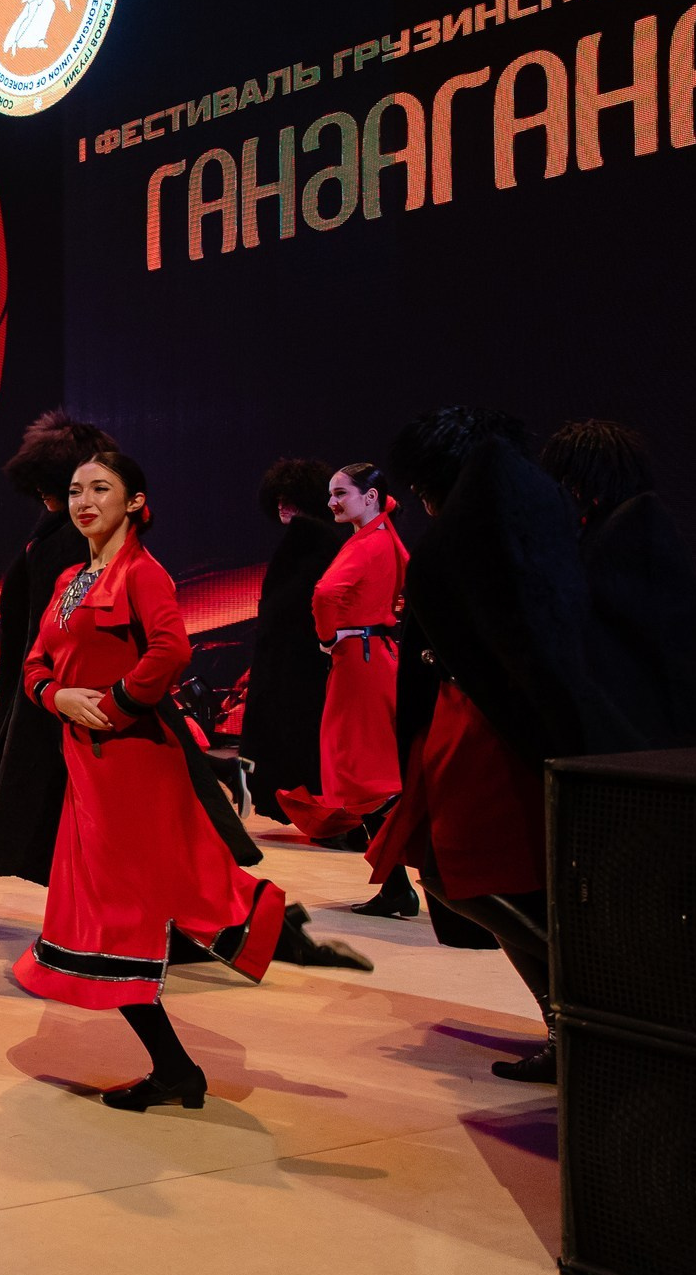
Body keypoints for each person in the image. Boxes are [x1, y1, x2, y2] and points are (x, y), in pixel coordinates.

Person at [12, 452, 291, 1110]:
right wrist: (55, 697)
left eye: (101, 489)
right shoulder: (70, 580)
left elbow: (172, 649)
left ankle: (177, 1061)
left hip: (134, 759)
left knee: (116, 915)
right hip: (87, 764)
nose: (84, 501)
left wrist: (112, 704)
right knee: (109, 911)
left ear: (135, 501)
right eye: (77, 490)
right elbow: (34, 659)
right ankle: (176, 1064)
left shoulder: (144, 573)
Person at [367, 407, 636, 1084]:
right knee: (460, 876)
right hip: (463, 720)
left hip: (484, 728)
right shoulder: (488, 527)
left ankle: (596, 1015)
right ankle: (572, 1022)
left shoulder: (485, 531)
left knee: (467, 878)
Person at [0, 410, 116, 880]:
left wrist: (50, 686)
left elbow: (67, 622)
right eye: (73, 491)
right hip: (47, 688)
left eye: (91, 490)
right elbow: (54, 620)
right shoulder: (55, 535)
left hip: (71, 694)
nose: (79, 500)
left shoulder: (87, 546)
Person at [540, 419, 696, 751]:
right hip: (662, 726)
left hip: (660, 731)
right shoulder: (625, 522)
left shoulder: (631, 525)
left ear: (577, 479)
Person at [277, 464, 415, 912]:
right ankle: (399, 885)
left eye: (341, 493)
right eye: (331, 494)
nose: (332, 502)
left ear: (370, 496)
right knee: (371, 774)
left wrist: (326, 635)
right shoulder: (388, 537)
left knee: (364, 775)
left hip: (359, 661)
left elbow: (325, 592)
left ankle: (405, 883)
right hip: (379, 657)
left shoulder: (370, 542)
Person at [239, 458, 348, 829]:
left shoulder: (306, 538)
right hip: (305, 658)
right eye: (279, 499)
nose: (283, 506)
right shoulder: (327, 538)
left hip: (293, 662)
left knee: (291, 737)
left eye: (290, 499)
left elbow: (291, 606)